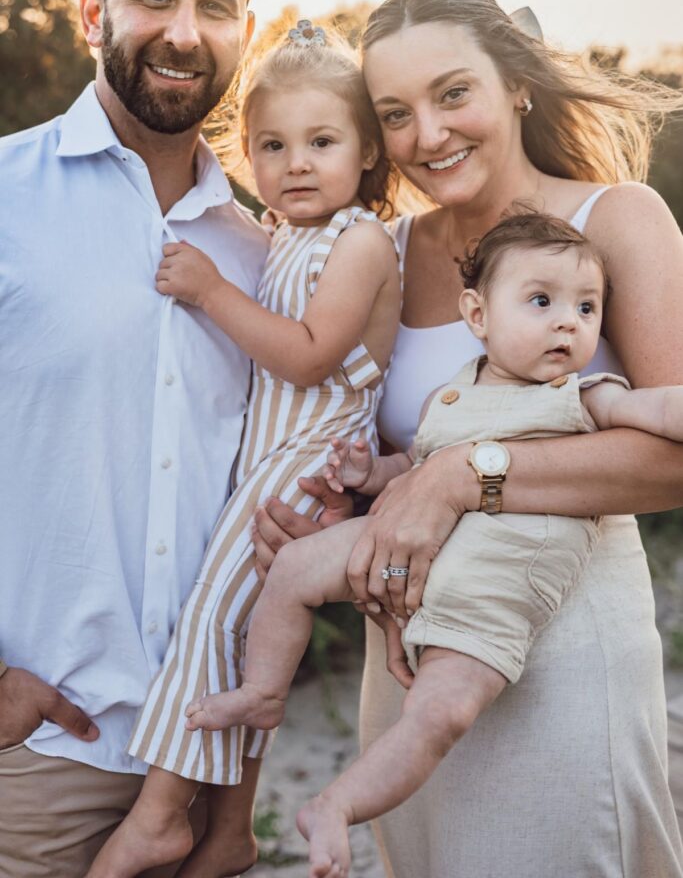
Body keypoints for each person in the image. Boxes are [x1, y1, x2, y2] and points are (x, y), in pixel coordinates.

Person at [253, 0, 683, 877]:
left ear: (515, 84)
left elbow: (670, 461)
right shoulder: (385, 249)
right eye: (395, 113)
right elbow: (378, 446)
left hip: (558, 649)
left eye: (454, 94)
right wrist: (319, 514)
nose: (429, 135)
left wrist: (459, 479)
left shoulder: (614, 219)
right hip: (405, 660)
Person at [185, 211, 683, 878]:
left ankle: (338, 805)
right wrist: (369, 475)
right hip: (424, 556)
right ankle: (264, 690)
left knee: (438, 713)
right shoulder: (447, 397)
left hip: (495, 589)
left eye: (586, 307)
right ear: (476, 314)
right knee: (298, 566)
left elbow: (659, 413)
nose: (568, 322)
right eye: (541, 302)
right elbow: (416, 468)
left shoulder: (583, 397)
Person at [0, 0, 273, 878]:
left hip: (205, 765)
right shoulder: (6, 198)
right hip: (38, 762)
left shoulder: (264, 255)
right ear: (91, 9)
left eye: (215, 6)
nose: (184, 31)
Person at [87, 25, 402, 878]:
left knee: (212, 620)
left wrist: (212, 289)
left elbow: (305, 353)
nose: (294, 162)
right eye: (271, 145)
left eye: (321, 142)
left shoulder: (363, 242)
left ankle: (159, 817)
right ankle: (226, 830)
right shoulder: (288, 234)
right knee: (220, 620)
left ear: (368, 150)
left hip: (308, 463)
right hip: (264, 461)